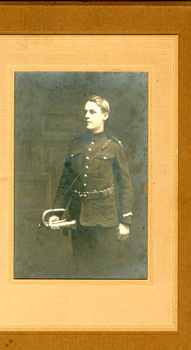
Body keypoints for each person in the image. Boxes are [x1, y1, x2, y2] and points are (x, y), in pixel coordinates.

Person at [49, 95, 133, 277]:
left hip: (106, 220)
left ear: (105, 115)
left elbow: (125, 185)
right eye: (85, 111)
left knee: (105, 272)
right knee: (82, 271)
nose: (87, 115)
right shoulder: (75, 145)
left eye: (92, 112)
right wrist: (56, 213)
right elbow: (65, 183)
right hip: (79, 219)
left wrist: (125, 221)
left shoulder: (114, 147)